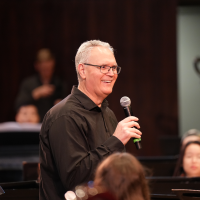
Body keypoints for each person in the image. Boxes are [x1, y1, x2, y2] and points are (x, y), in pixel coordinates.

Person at [39, 40, 142, 200]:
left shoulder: (108, 113)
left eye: (114, 68)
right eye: (103, 67)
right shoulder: (64, 115)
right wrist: (115, 141)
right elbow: (75, 181)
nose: (111, 73)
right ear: (82, 70)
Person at [15, 48, 67, 122]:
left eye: (48, 68)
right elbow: (18, 105)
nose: (46, 71)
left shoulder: (60, 84)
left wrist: (61, 105)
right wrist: (35, 94)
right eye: (44, 69)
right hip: (32, 125)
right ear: (37, 66)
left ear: (53, 63)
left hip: (53, 125)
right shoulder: (28, 84)